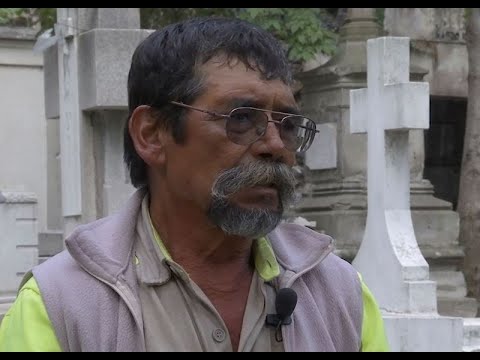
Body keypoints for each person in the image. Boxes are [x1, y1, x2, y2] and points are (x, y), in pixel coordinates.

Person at [0, 17, 389, 352]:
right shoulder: (60, 306)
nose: (274, 145)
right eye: (241, 119)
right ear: (152, 134)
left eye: (287, 124)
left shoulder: (340, 293)